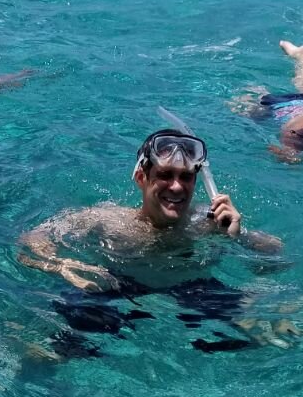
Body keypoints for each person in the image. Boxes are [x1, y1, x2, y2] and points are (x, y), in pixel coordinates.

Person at [18, 129, 289, 354]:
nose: (176, 187)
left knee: (283, 334)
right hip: (117, 288)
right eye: (165, 175)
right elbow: (30, 241)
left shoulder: (209, 223)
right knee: (44, 354)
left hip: (195, 289)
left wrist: (239, 236)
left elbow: (276, 260)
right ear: (141, 178)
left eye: (186, 177)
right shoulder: (107, 221)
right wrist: (64, 266)